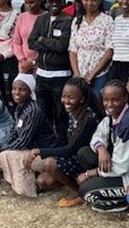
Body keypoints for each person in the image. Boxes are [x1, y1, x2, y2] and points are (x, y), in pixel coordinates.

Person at [76, 80, 129, 213]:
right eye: (106, 100)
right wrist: (101, 149)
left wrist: (89, 174)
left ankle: (124, 199)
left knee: (86, 191)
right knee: (84, 153)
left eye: (115, 100)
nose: (109, 104)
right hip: (120, 164)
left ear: (125, 98)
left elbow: (122, 166)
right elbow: (98, 134)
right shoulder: (114, 115)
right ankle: (106, 185)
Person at [28, 77, 102, 205]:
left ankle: (79, 192)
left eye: (71, 98)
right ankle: (72, 182)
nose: (66, 101)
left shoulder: (88, 118)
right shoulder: (72, 113)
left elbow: (71, 149)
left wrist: (40, 151)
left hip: (86, 160)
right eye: (64, 96)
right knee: (43, 181)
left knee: (49, 163)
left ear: (82, 99)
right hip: (74, 157)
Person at [0, 74, 58, 195]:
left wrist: (1, 150)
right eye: (14, 89)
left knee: (7, 154)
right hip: (31, 150)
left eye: (22, 89)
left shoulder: (33, 110)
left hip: (45, 153)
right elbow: (13, 132)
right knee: (2, 151)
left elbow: (23, 141)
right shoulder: (20, 108)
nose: (16, 92)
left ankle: (28, 186)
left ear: (30, 91)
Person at [28, 0, 72, 143]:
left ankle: (61, 145)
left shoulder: (68, 21)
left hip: (60, 76)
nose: (54, 4)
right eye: (51, 1)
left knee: (61, 115)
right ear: (45, 2)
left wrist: (43, 40)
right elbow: (31, 42)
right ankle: (46, 144)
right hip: (41, 75)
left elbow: (63, 46)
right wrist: (47, 42)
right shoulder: (41, 20)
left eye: (58, 1)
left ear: (64, 3)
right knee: (43, 114)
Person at [68, 0, 114, 96]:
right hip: (80, 75)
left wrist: (91, 75)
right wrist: (76, 73)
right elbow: (73, 49)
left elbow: (110, 50)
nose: (89, 3)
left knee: (97, 106)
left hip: (100, 75)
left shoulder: (107, 20)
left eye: (94, 0)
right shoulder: (77, 21)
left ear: (100, 1)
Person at [12, 0, 46, 73]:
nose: (28, 6)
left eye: (32, 3)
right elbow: (16, 42)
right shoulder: (22, 17)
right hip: (24, 65)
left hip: (42, 64)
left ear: (39, 1)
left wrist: (33, 62)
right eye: (26, 3)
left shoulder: (47, 17)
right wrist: (23, 60)